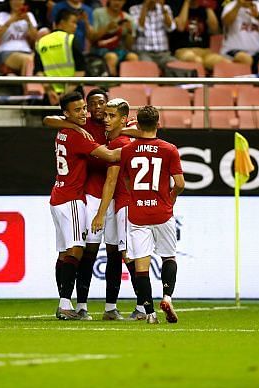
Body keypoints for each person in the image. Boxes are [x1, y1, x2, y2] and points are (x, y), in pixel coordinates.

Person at [50, 91, 122, 321]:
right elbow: (110, 156)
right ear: (67, 113)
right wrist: (138, 148)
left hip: (59, 194)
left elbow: (50, 120)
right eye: (81, 108)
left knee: (65, 253)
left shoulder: (65, 130)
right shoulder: (79, 134)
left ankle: (67, 302)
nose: (85, 111)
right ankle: (67, 304)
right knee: (77, 250)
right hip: (74, 197)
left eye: (84, 108)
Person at [118, 105, 185, 324]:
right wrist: (171, 197)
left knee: (141, 265)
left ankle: (150, 313)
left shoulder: (127, 151)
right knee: (168, 256)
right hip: (162, 212)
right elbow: (180, 184)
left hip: (137, 214)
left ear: (137, 125)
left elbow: (127, 182)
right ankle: (167, 297)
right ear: (158, 124)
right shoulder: (169, 149)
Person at [91, 98, 147, 321]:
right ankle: (110, 308)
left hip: (124, 204)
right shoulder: (116, 139)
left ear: (123, 120)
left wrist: (100, 213)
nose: (106, 119)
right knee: (114, 255)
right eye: (105, 115)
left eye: (111, 116)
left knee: (128, 256)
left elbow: (111, 181)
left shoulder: (121, 142)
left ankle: (143, 307)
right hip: (117, 205)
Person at [35, 9, 86, 104]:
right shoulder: (71, 39)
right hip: (73, 95)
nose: (76, 26)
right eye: (73, 22)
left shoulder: (41, 42)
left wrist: (50, 91)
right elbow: (80, 71)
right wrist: (65, 95)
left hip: (51, 97)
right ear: (62, 23)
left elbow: (39, 72)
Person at [172, 0, 227, 71]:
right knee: (196, 60)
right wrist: (187, 2)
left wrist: (207, 5)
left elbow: (215, 30)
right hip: (183, 51)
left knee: (222, 61)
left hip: (205, 52)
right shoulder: (177, 6)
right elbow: (180, 27)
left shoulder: (205, 9)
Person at [220, 0, 259, 69]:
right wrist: (238, 6)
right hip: (232, 50)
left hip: (256, 52)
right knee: (245, 59)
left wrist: (258, 16)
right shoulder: (230, 6)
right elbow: (226, 22)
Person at [92, 0, 138, 76]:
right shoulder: (98, 13)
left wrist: (129, 32)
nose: (117, 3)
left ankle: (130, 86)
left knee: (133, 57)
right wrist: (106, 29)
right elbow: (92, 38)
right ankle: (111, 85)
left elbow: (129, 46)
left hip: (119, 50)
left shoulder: (128, 18)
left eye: (120, 1)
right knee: (112, 57)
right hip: (99, 49)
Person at [0, 0, 39, 75]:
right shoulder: (2, 15)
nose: (16, 2)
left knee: (36, 60)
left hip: (26, 50)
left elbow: (35, 37)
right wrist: (11, 21)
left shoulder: (29, 15)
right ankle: (27, 85)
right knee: (28, 60)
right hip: (7, 51)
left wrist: (28, 21)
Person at [130, 0, 177, 69]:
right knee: (148, 69)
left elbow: (171, 28)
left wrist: (163, 9)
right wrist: (145, 7)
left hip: (163, 53)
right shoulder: (134, 9)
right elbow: (139, 29)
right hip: (143, 53)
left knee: (176, 66)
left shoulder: (165, 8)